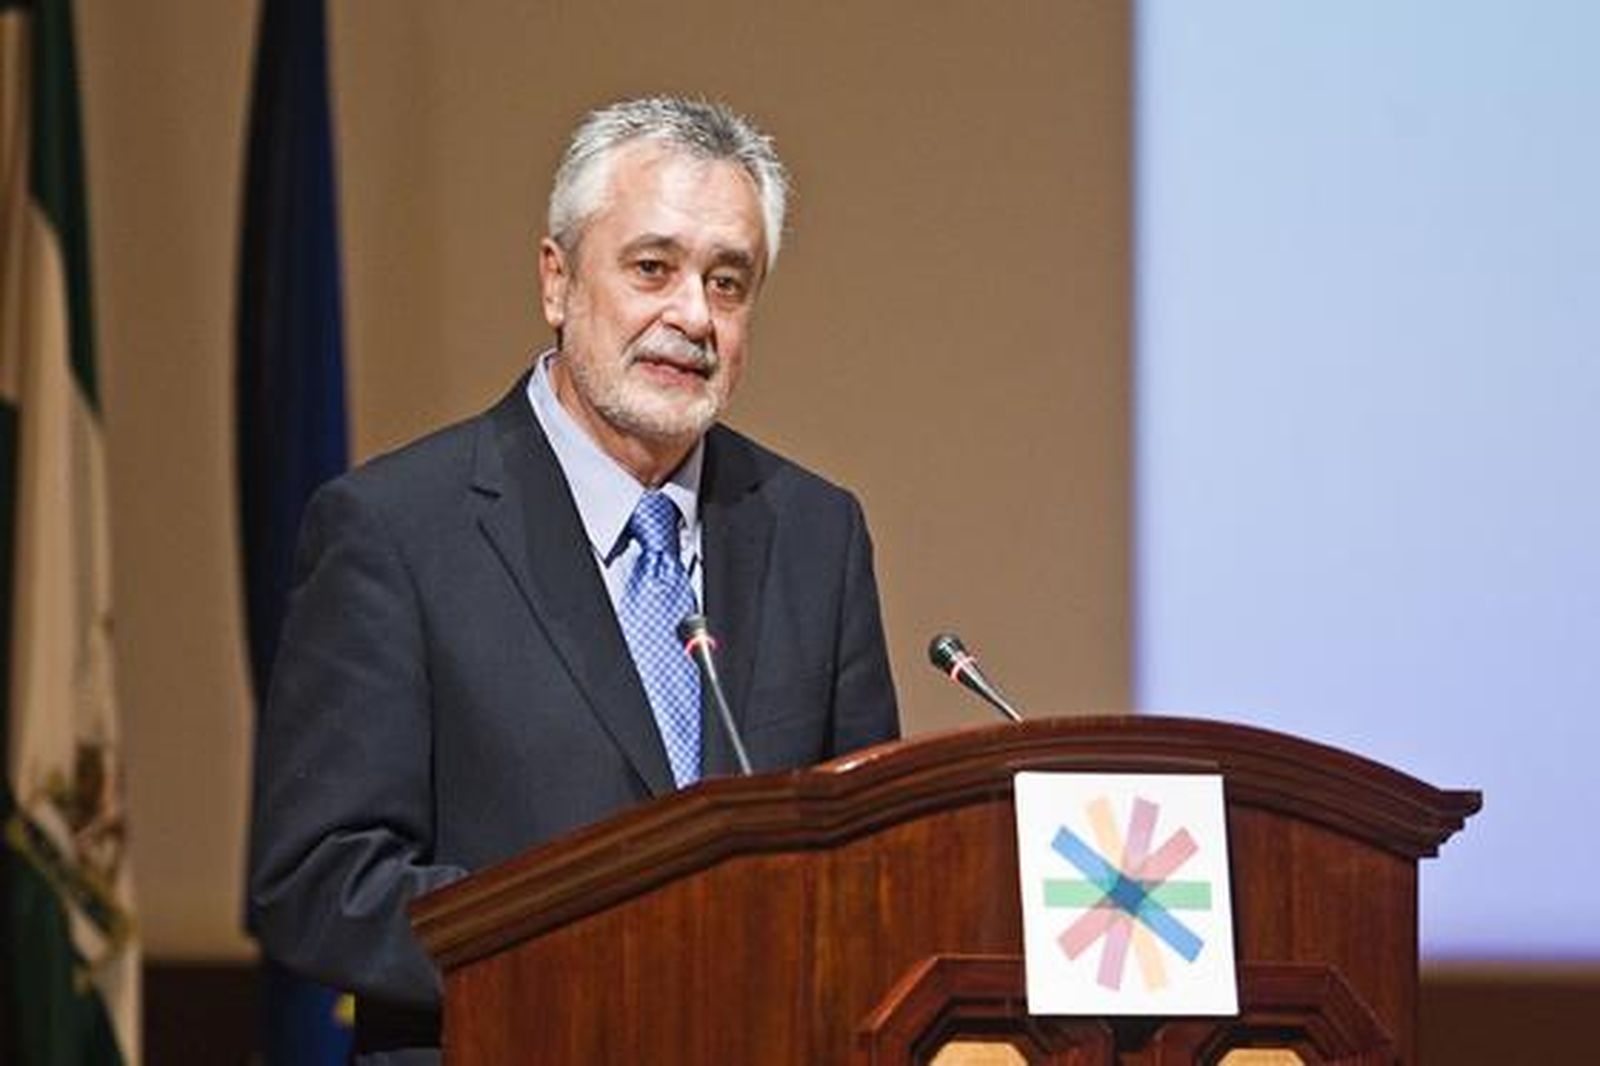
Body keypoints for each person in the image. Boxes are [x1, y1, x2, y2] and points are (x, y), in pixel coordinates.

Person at [246, 96, 900, 1063]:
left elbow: (871, 862)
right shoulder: (396, 529)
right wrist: (607, 945)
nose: (693, 315)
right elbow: (320, 883)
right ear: (556, 280)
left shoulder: (815, 532)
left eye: (729, 282)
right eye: (652, 268)